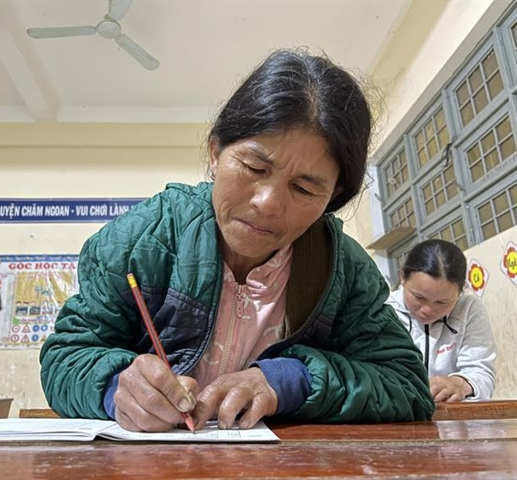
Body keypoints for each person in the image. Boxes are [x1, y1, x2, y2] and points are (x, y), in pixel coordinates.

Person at [40, 47, 434, 432]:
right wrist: (116, 388)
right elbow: (65, 358)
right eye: (254, 166)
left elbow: (405, 383)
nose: (267, 203)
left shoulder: (341, 269)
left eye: (303, 189)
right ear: (215, 153)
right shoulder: (143, 239)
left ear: (332, 197)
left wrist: (290, 380)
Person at [387, 239, 497, 402]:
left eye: (442, 302)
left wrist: (461, 383)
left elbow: (482, 372)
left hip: (454, 419)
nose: (428, 310)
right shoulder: (383, 310)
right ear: (402, 277)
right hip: (395, 417)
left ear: (460, 291)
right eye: (419, 297)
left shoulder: (468, 310)